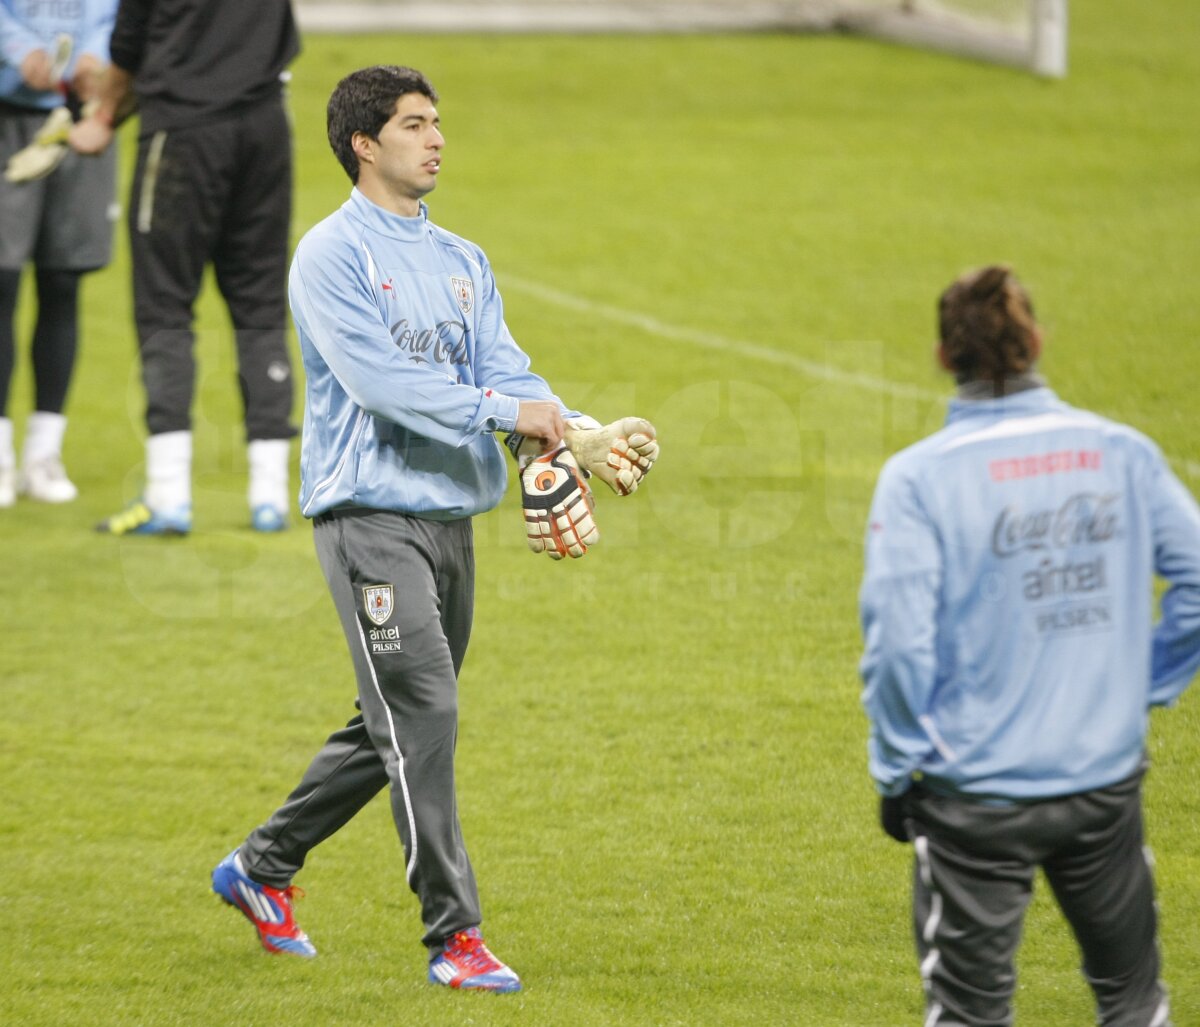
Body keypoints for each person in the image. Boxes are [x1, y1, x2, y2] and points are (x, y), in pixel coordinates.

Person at [208, 65, 655, 991]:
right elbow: (384, 384)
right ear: (364, 144)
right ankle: (456, 938)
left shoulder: (462, 260)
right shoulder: (331, 256)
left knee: (399, 718)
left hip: (450, 521)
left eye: (437, 122)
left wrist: (575, 432)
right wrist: (511, 413)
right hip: (367, 517)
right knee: (425, 712)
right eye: (414, 124)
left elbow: (506, 372)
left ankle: (260, 864)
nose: (437, 138)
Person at [859, 264, 1200, 1026]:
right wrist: (1140, 686)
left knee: (970, 1014)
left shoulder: (916, 480)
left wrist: (896, 765)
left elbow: (898, 645)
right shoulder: (1121, 452)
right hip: (1103, 782)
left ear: (944, 356)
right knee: (1134, 1000)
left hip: (973, 795)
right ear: (1036, 340)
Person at [67, 0, 300, 534]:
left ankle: (168, 496)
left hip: (182, 131)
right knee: (260, 302)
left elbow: (129, 44)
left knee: (164, 304)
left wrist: (102, 117)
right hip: (265, 127)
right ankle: (270, 498)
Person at [0, 0, 118, 507]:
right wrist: (20, 49)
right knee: (1, 283)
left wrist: (94, 55)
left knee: (62, 282)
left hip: (80, 120)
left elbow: (123, 13)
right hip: (8, 112)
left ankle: (43, 454)